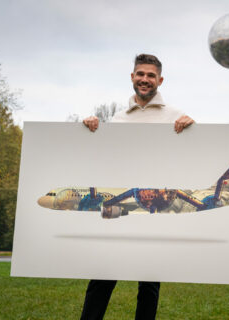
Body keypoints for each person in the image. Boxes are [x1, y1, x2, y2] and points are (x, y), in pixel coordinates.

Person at [80, 54, 194, 320]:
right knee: (102, 276)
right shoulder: (118, 120)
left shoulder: (177, 116)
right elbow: (105, 158)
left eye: (151, 75)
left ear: (160, 80)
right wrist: (89, 130)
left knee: (149, 284)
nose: (145, 80)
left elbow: (190, 155)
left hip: (155, 210)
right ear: (132, 77)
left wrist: (193, 129)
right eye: (140, 74)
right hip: (121, 208)